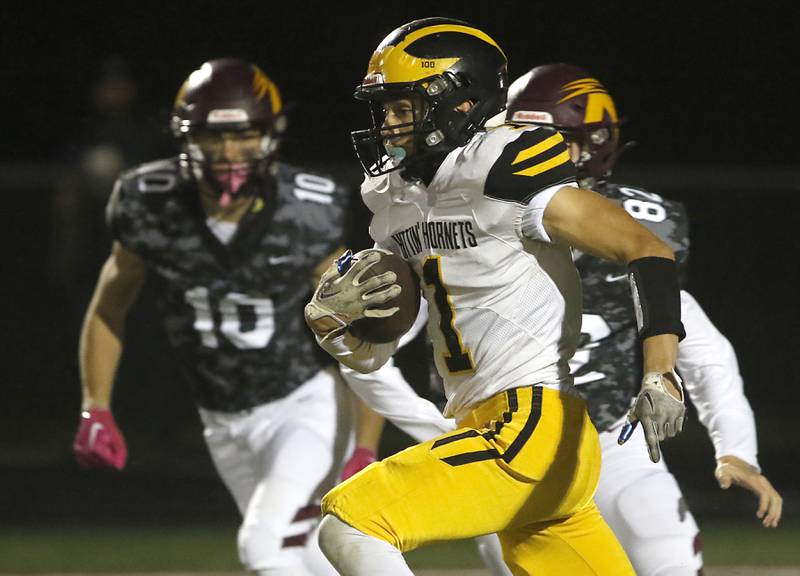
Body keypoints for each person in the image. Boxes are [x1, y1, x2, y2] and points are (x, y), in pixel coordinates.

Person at [304, 18, 688, 576]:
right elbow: (375, 354)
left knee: (352, 521)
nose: (387, 124)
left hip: (530, 425)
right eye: (382, 108)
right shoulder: (396, 200)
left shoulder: (501, 165)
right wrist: (338, 329)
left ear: (458, 102)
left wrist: (661, 372)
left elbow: (646, 249)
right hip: (493, 426)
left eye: (401, 106)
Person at [71, 57, 392, 576]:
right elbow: (110, 306)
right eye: (212, 137)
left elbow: (356, 328)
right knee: (313, 555)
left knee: (263, 548)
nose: (227, 152)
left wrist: (366, 441)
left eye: (243, 134)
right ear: (186, 138)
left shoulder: (306, 208)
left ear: (269, 133)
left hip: (304, 409)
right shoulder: (148, 204)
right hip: (220, 421)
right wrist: (96, 406)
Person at [503, 62, 783, 574]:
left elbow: (701, 347)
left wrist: (736, 449)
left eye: (548, 139)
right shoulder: (472, 212)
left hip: (610, 437)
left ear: (596, 141)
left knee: (671, 552)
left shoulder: (640, 226)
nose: (529, 152)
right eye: (518, 136)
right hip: (502, 441)